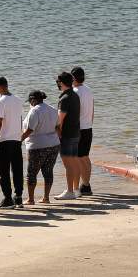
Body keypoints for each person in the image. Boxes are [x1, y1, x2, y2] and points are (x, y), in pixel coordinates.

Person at [0, 77, 25, 209]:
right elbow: (19, 119)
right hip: (16, 139)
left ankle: (8, 198)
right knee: (17, 169)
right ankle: (19, 197)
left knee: (3, 171)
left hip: (3, 140)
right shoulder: (17, 100)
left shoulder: (1, 101)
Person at [20, 90, 60, 205]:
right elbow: (58, 127)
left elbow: (30, 130)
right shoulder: (53, 109)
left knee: (32, 173)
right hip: (53, 145)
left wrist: (19, 140)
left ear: (33, 100)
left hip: (37, 146)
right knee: (48, 171)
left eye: (30, 101)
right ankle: (46, 198)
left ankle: (31, 199)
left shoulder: (34, 111)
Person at [54, 71, 83, 200]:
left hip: (66, 135)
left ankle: (70, 191)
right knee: (74, 162)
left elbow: (59, 121)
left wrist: (57, 133)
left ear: (61, 82)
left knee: (68, 164)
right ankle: (76, 189)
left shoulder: (64, 98)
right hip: (76, 133)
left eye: (58, 82)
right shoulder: (75, 95)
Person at [71, 66, 95, 196]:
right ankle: (86, 185)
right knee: (85, 157)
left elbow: (74, 112)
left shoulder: (74, 91)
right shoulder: (88, 90)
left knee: (78, 159)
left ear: (73, 78)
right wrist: (90, 123)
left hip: (78, 128)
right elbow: (92, 110)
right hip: (88, 127)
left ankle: (83, 186)